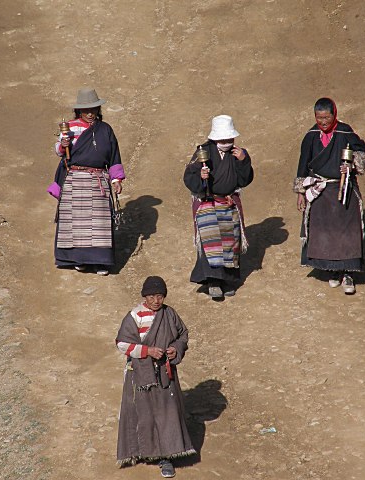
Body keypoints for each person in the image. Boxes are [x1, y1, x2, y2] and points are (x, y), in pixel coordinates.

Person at [115, 276, 195, 478]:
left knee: (165, 414)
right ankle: (143, 451)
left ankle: (165, 457)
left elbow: (183, 334)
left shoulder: (169, 314)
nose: (156, 301)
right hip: (140, 376)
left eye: (160, 296)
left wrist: (175, 349)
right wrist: (148, 351)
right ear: (144, 296)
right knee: (144, 415)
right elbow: (122, 344)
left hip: (165, 373)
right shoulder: (135, 316)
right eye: (152, 296)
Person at [293, 97, 365, 294]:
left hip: (344, 189)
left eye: (326, 118)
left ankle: (348, 273)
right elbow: (303, 163)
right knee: (325, 231)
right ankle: (332, 271)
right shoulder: (310, 136)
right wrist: (301, 191)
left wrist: (352, 164)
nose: (323, 122)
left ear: (334, 114)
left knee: (346, 231)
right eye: (319, 118)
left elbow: (362, 153)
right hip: (321, 190)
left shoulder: (345, 132)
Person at [50, 87, 125, 275]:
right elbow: (59, 150)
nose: (90, 114)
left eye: (93, 110)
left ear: (98, 110)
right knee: (76, 222)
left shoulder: (105, 129)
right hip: (75, 179)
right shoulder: (70, 127)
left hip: (98, 179)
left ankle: (100, 262)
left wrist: (116, 179)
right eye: (86, 110)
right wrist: (63, 145)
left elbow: (114, 155)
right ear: (79, 111)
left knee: (99, 223)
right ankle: (78, 259)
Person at [183, 115, 254, 299]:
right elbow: (188, 177)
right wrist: (201, 176)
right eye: (223, 140)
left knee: (231, 242)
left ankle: (228, 280)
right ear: (215, 138)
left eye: (229, 139)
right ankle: (213, 281)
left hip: (229, 202)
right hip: (208, 203)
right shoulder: (203, 152)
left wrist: (243, 161)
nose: (227, 143)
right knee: (211, 242)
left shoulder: (239, 153)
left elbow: (245, 180)